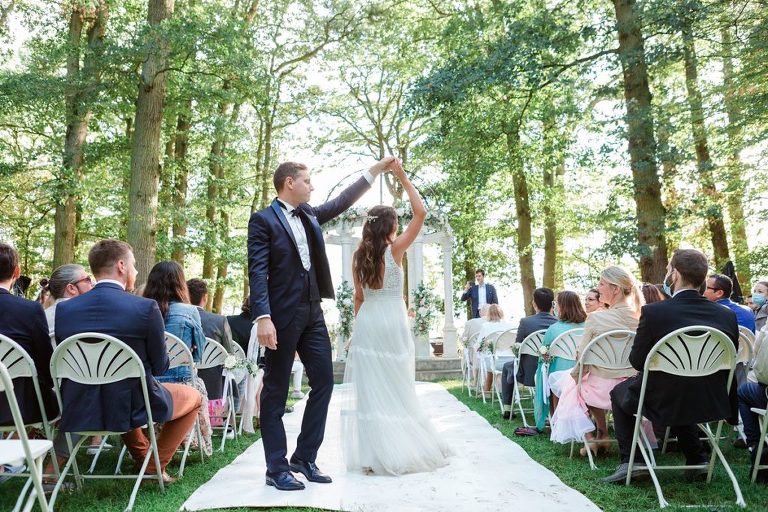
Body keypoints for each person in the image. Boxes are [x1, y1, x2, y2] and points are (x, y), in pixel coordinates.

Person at [248, 157, 395, 491]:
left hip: (313, 313)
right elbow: (256, 270)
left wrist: (374, 170)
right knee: (274, 391)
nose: (312, 186)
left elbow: (342, 201)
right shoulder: (262, 221)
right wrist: (263, 316)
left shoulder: (310, 214)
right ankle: (276, 467)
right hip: (280, 317)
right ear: (289, 182)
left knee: (325, 382)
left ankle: (304, 457)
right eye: (307, 181)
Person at [55, 240, 202, 484]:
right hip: (132, 404)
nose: (135, 271)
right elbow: (160, 367)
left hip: (80, 400)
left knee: (121, 389)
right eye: (133, 265)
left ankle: (144, 460)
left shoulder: (66, 310)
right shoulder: (145, 308)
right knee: (193, 396)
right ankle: (154, 468)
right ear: (121, 266)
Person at [341, 160, 452, 476]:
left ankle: (373, 456)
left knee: (372, 390)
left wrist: (355, 331)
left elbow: (359, 298)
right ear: (390, 227)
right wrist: (401, 175)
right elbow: (421, 213)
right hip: (392, 322)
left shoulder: (358, 256)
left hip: (368, 323)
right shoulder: (396, 249)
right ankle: (398, 448)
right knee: (398, 386)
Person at [603, 249, 739, 484]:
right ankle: (698, 459)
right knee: (681, 387)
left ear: (674, 275)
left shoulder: (655, 312)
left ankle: (632, 462)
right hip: (713, 397)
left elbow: (637, 361)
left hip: (664, 398)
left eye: (668, 270)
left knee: (619, 394)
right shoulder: (725, 315)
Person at [550, 266, 643, 452]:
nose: (598, 288)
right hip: (635, 389)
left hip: (599, 390)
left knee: (572, 383)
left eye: (601, 284)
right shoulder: (642, 317)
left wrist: (575, 377)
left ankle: (594, 437)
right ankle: (601, 434)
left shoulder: (595, 319)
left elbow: (582, 357)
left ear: (616, 289)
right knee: (581, 379)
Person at [143, 262, 207, 384]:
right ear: (181, 284)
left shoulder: (141, 310)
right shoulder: (190, 311)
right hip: (181, 382)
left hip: (148, 384)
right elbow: (199, 354)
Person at [499, 288, 557, 418]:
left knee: (507, 366)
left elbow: (518, 348)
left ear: (534, 304)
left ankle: (507, 408)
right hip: (554, 372)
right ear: (552, 304)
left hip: (529, 373)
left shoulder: (526, 322)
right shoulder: (558, 323)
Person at [533, 291, 587, 431]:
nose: (554, 306)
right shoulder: (588, 326)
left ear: (561, 306)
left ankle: (556, 422)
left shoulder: (554, 329)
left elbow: (543, 354)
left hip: (560, 375)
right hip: (584, 372)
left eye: (556, 303)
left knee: (547, 375)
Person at [43, 264, 94, 345]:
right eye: (87, 279)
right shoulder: (90, 315)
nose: (92, 284)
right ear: (71, 288)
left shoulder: (42, 316)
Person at [475, 304, 515, 396]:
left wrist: (478, 349)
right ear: (501, 313)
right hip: (511, 360)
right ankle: (494, 390)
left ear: (489, 314)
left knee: (489, 357)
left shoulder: (486, 326)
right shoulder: (510, 325)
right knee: (492, 356)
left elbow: (479, 344)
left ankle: (486, 391)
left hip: (493, 361)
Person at [187, 278, 234, 353]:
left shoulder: (177, 319)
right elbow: (230, 352)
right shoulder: (220, 321)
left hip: (185, 364)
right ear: (205, 297)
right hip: (214, 364)